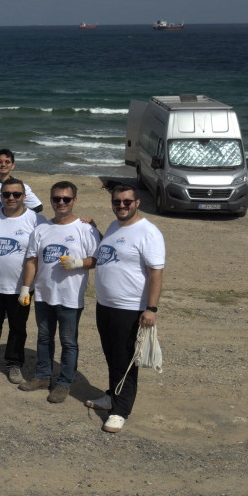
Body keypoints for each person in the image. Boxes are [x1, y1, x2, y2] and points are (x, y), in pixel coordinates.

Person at [89, 183, 165, 433]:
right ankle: (112, 395)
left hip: (130, 309)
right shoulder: (114, 227)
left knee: (125, 360)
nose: (121, 206)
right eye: (117, 202)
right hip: (105, 305)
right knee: (112, 357)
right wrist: (92, 229)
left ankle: (120, 410)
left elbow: (156, 272)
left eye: (126, 202)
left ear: (137, 203)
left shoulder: (148, 232)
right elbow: (110, 255)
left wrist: (151, 309)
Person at [18, 181, 102, 403]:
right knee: (44, 338)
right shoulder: (41, 229)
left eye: (66, 199)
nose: (61, 203)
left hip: (70, 297)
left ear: (74, 200)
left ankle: (64, 383)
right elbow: (32, 261)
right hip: (44, 295)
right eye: (56, 199)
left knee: (68, 342)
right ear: (51, 200)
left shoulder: (85, 229)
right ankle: (43, 376)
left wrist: (77, 263)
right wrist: (26, 288)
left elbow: (96, 259)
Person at [0, 177, 47, 383]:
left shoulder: (36, 220)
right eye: (6, 194)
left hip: (22, 287)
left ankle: (14, 364)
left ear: (24, 197)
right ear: (1, 196)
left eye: (16, 194)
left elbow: (56, 232)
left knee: (18, 328)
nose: (11, 198)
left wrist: (85, 223)